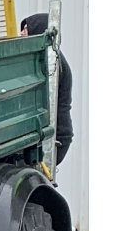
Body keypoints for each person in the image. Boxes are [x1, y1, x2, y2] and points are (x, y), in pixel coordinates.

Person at [19, 12, 73, 165]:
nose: (21, 33)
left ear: (38, 31)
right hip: (54, 135)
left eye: (26, 29)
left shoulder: (52, 62)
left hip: (56, 137)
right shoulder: (45, 59)